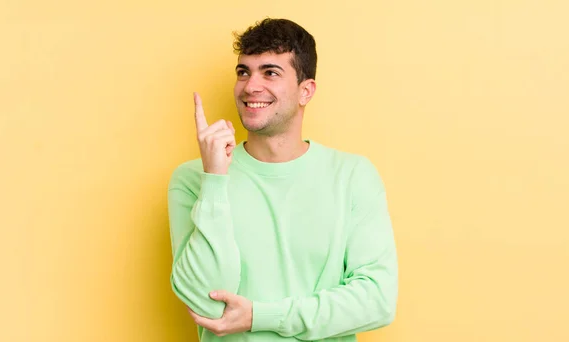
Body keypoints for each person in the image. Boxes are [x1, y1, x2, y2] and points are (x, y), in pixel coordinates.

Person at [168, 18, 398, 342]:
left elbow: (377, 300)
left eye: (270, 72)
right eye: (243, 72)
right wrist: (215, 180)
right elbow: (206, 302)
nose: (250, 86)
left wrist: (259, 317)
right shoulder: (195, 179)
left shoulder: (352, 177)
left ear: (306, 91)